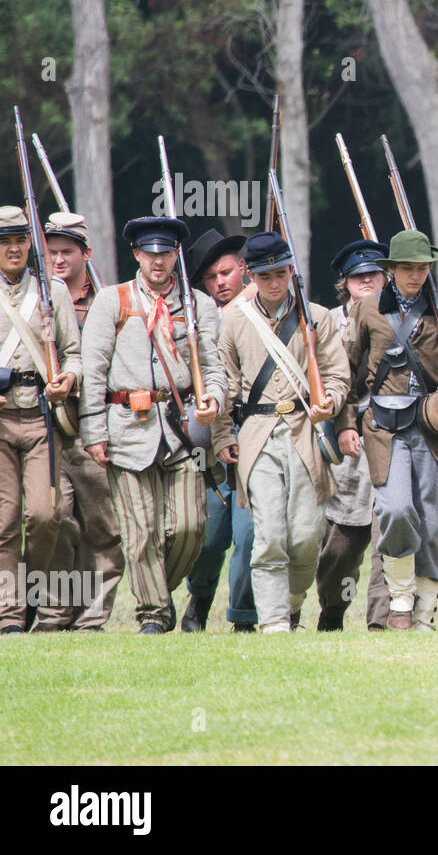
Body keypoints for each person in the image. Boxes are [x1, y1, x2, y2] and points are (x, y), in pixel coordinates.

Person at [79, 216, 224, 634]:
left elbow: (213, 367)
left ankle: (156, 591)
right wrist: (95, 432)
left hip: (181, 429)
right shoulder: (114, 301)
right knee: (140, 533)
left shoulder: (198, 305)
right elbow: (94, 369)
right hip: (126, 426)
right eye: (150, 254)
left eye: (166, 253)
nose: (158, 262)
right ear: (137, 254)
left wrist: (213, 396)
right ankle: (154, 617)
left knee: (192, 527)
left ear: (175, 254)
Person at [335, 229, 438, 630]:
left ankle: (424, 613)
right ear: (392, 271)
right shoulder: (366, 310)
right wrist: (346, 424)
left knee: (434, 525)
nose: (415, 276)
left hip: (435, 430)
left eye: (422, 268)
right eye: (407, 268)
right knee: (395, 508)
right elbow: (348, 373)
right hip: (383, 428)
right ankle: (400, 601)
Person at [212, 231, 350, 633]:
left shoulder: (317, 317)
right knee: (269, 534)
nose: (275, 282)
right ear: (251, 275)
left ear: (292, 271)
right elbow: (226, 384)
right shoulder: (235, 321)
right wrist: (223, 436)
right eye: (266, 275)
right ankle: (274, 622)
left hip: (305, 432)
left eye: (282, 273)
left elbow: (338, 375)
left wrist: (332, 402)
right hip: (257, 432)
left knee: (306, 538)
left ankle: (292, 601)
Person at [32, 211, 122, 631]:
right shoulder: (32, 300)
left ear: (86, 254)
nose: (59, 260)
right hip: (45, 426)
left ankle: (92, 618)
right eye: (51, 252)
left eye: (68, 251)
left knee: (102, 528)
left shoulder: (110, 301)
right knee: (55, 523)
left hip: (95, 425)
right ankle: (52, 614)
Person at [0, 205, 81, 634]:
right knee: (5, 519)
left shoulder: (53, 291)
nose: (13, 249)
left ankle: (26, 593)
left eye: (19, 240)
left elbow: (76, 354)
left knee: (47, 516)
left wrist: (68, 378)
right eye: (4, 242)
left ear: (30, 244)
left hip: (41, 418)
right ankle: (9, 617)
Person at [178, 228, 257, 632]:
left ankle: (243, 617)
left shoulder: (261, 309)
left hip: (254, 433)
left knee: (248, 537)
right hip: (209, 443)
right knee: (208, 539)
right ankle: (199, 598)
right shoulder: (198, 318)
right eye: (210, 278)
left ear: (243, 269)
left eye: (226, 273)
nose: (220, 283)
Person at [315, 239, 391, 631]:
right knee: (341, 548)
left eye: (374, 275)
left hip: (394, 438)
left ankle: (382, 623)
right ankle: (332, 611)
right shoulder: (326, 323)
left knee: (389, 537)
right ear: (345, 283)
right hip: (345, 446)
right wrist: (344, 425)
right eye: (358, 277)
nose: (367, 282)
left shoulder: (402, 316)